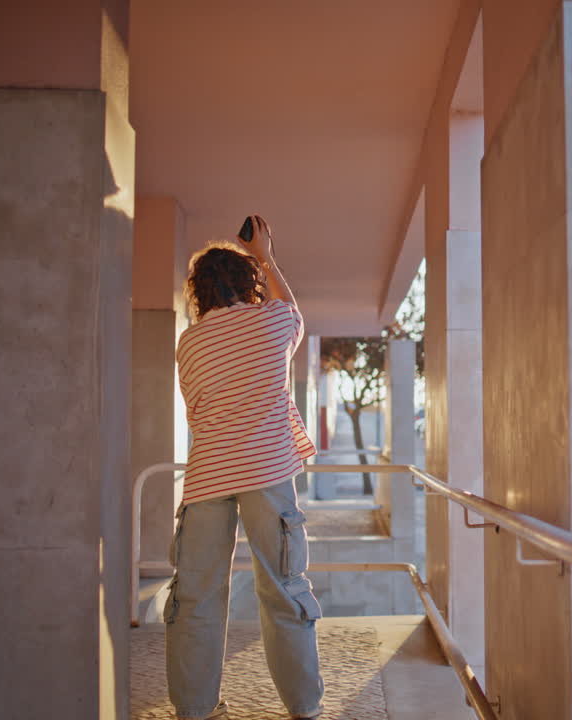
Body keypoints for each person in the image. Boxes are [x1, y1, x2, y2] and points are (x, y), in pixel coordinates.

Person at [166, 215, 324, 720]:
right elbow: (292, 312)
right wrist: (267, 256)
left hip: (208, 475)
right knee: (282, 588)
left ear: (200, 291)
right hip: (267, 472)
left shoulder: (188, 343)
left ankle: (194, 709)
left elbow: (195, 412)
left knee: (196, 595)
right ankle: (304, 708)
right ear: (247, 282)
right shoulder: (272, 322)